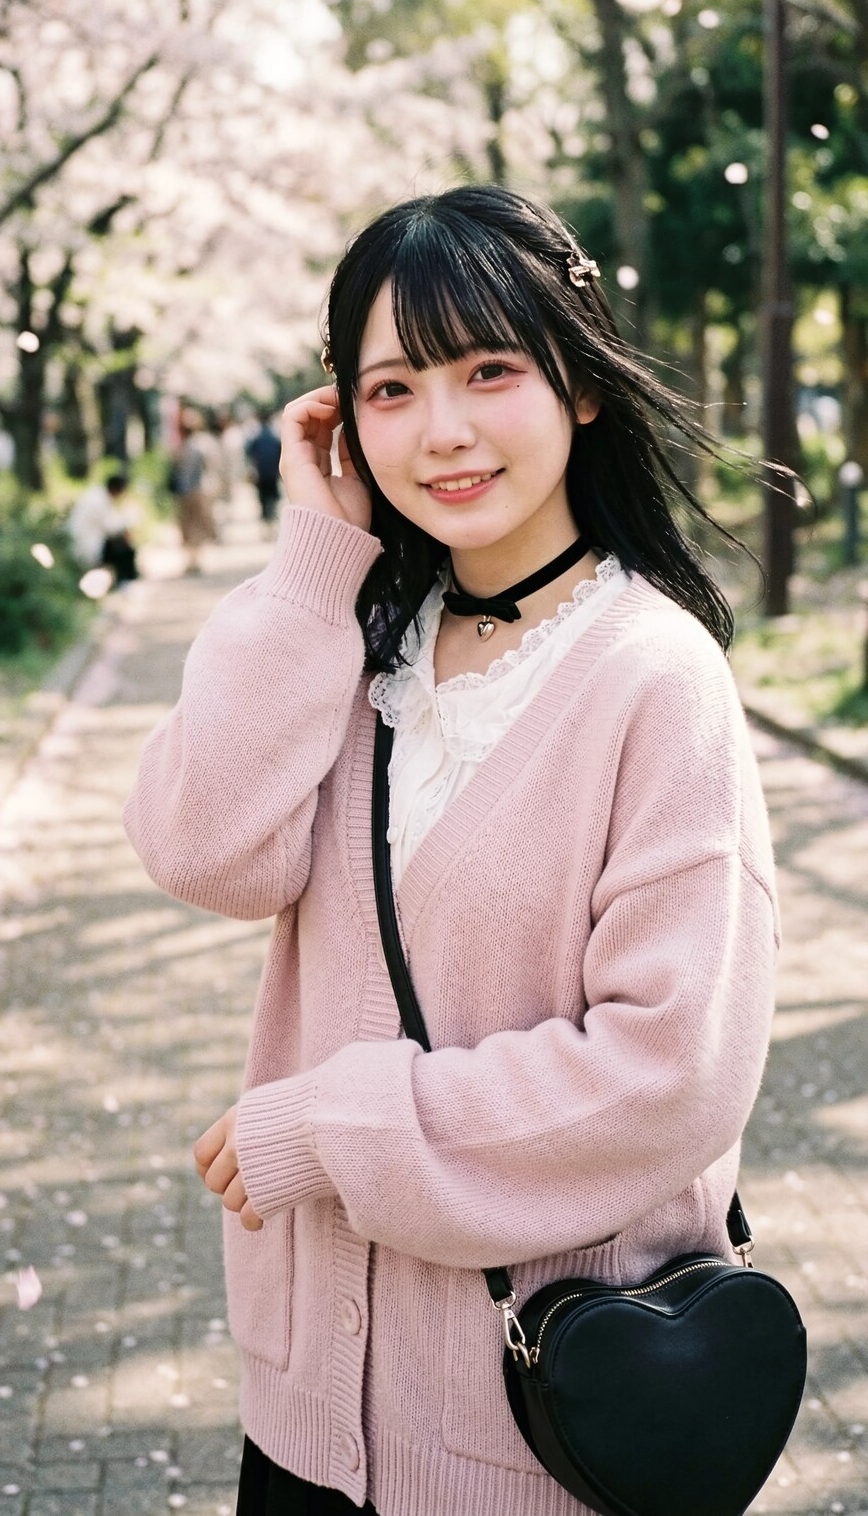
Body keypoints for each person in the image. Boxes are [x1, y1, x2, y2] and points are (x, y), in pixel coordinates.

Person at [124, 187, 780, 1516]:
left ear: (579, 385)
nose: (445, 430)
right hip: (311, 1418)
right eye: (393, 387)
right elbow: (208, 851)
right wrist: (318, 557)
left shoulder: (655, 674)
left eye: (489, 370)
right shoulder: (359, 645)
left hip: (547, 1429)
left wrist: (333, 1126)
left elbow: (670, 1075)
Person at [67, 471, 140, 586]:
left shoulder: (97, 495)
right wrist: (128, 524)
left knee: (123, 543)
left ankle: (123, 580)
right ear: (117, 489)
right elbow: (110, 528)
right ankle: (125, 581)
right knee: (126, 549)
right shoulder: (99, 501)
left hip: (87, 539)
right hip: (87, 544)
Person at [169, 408, 218, 575]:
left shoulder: (179, 449)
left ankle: (191, 560)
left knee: (187, 527)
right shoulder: (201, 447)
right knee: (196, 526)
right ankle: (196, 559)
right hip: (198, 490)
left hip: (184, 492)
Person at [244, 412, 282, 529]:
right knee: (272, 496)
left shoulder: (256, 437)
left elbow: (249, 453)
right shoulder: (274, 437)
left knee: (263, 497)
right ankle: (271, 518)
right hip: (272, 472)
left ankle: (266, 519)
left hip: (261, 472)